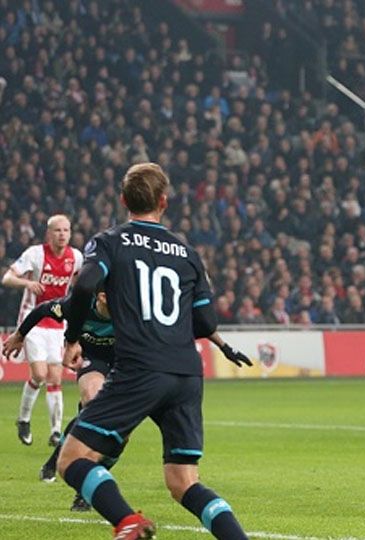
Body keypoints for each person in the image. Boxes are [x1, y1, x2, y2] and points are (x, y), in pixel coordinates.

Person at [57, 163, 249, 539]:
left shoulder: (110, 241)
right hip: (187, 373)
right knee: (184, 482)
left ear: (123, 199)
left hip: (140, 368)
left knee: (71, 459)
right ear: (164, 202)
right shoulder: (187, 253)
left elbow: (83, 288)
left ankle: (128, 522)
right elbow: (206, 322)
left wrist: (72, 337)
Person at [2, 288, 250, 513]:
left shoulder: (132, 308)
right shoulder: (78, 305)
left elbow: (195, 322)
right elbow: (42, 309)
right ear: (101, 297)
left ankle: (84, 487)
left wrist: (225, 347)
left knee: (121, 434)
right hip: (94, 362)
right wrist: (19, 335)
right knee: (92, 400)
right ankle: (60, 460)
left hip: (127, 367)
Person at [2, 214, 83, 447]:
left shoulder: (76, 257)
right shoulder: (35, 254)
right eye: (57, 230)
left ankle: (56, 432)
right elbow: (7, 277)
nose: (62, 235)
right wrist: (27, 283)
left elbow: (83, 281)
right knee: (39, 374)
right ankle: (24, 419)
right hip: (33, 320)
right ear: (49, 233)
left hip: (58, 322)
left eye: (66, 230)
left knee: (56, 376)